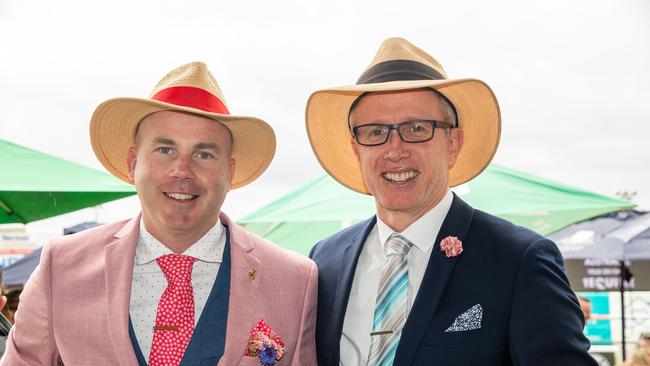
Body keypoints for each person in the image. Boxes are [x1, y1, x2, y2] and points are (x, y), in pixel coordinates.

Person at [1, 62, 317, 365]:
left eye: (204, 154)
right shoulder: (62, 267)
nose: (182, 170)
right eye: (165, 150)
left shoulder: (294, 281)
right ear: (132, 164)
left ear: (229, 172)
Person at [306, 37, 596, 365]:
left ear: (453, 142)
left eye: (416, 128)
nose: (395, 149)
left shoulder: (519, 260)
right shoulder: (324, 261)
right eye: (375, 132)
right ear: (357, 148)